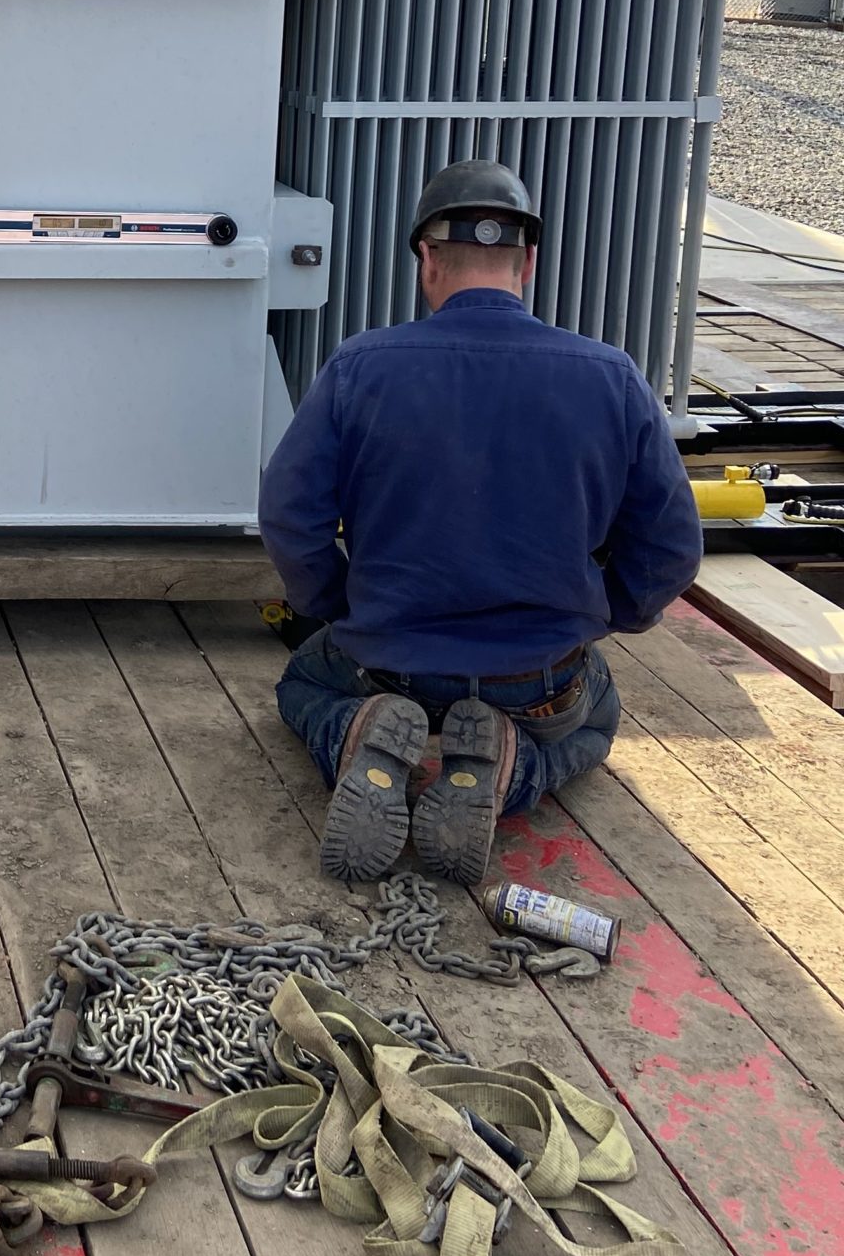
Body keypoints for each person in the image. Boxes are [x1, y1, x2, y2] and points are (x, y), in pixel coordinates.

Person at [257, 160, 702, 886]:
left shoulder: (359, 367)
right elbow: (673, 547)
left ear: (426, 258)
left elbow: (288, 513)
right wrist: (606, 612)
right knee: (597, 719)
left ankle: (358, 736)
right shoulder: (610, 375)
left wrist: (338, 604)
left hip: (387, 662)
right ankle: (514, 766)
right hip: (538, 677)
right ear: (527, 261)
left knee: (302, 687)